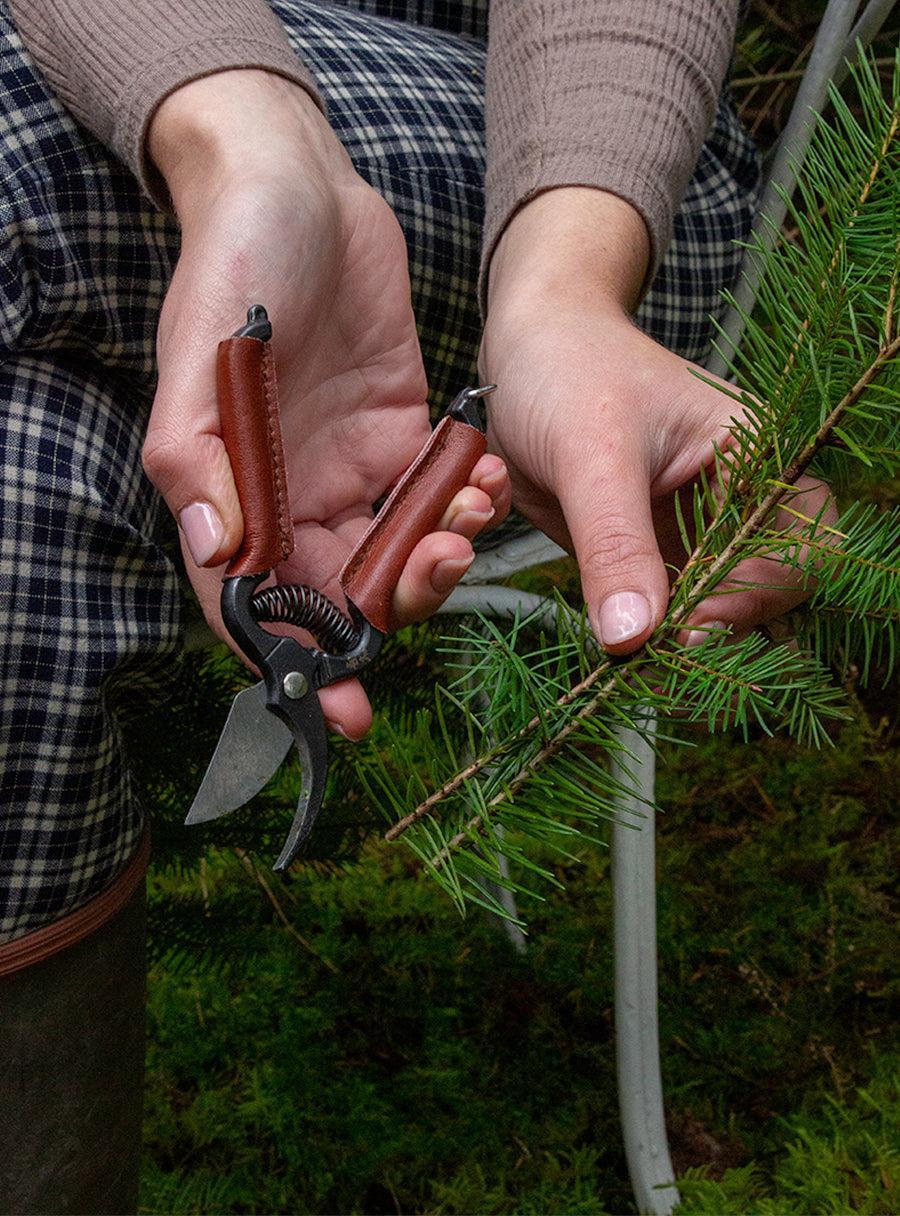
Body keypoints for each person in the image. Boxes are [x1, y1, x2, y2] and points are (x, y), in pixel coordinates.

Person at [0, 1, 817, 1210]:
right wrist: (249, 141)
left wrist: (562, 290)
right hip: (149, 63)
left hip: (592, 161)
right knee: (23, 485)